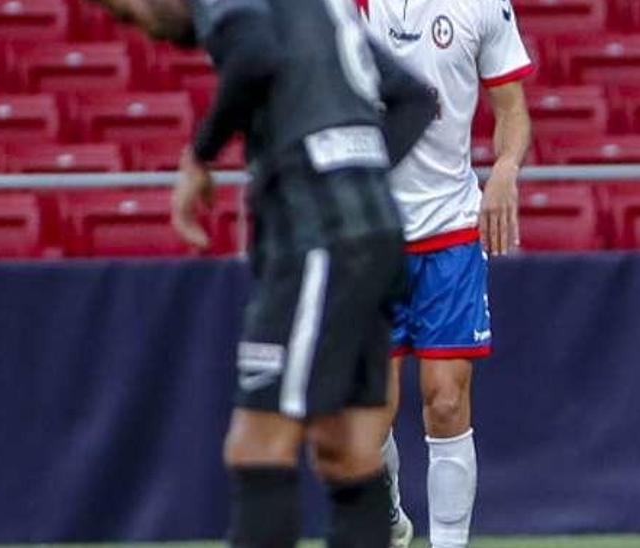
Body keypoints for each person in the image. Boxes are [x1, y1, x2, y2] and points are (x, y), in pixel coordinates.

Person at [91, 0, 437, 546]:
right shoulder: (316, 9)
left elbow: (254, 56)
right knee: (347, 449)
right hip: (376, 236)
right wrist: (360, 167)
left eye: (129, 13)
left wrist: (198, 156)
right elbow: (415, 98)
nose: (142, 30)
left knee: (258, 445)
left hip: (317, 241)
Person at [358, 0, 533, 546]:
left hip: (451, 228)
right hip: (370, 230)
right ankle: (387, 516)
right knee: (370, 417)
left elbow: (512, 108)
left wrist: (505, 168)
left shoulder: (482, 5)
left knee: (446, 398)